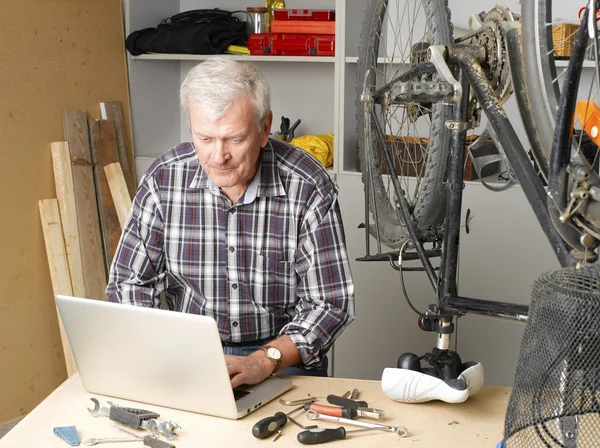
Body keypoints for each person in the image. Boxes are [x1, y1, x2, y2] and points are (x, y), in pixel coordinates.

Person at [106, 56, 355, 388]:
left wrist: (264, 360)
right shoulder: (164, 179)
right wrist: (163, 349)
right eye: (205, 138)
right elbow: (129, 284)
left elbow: (330, 303)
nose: (217, 156)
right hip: (188, 350)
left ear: (264, 128)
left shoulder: (308, 186)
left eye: (234, 139)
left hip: (282, 355)